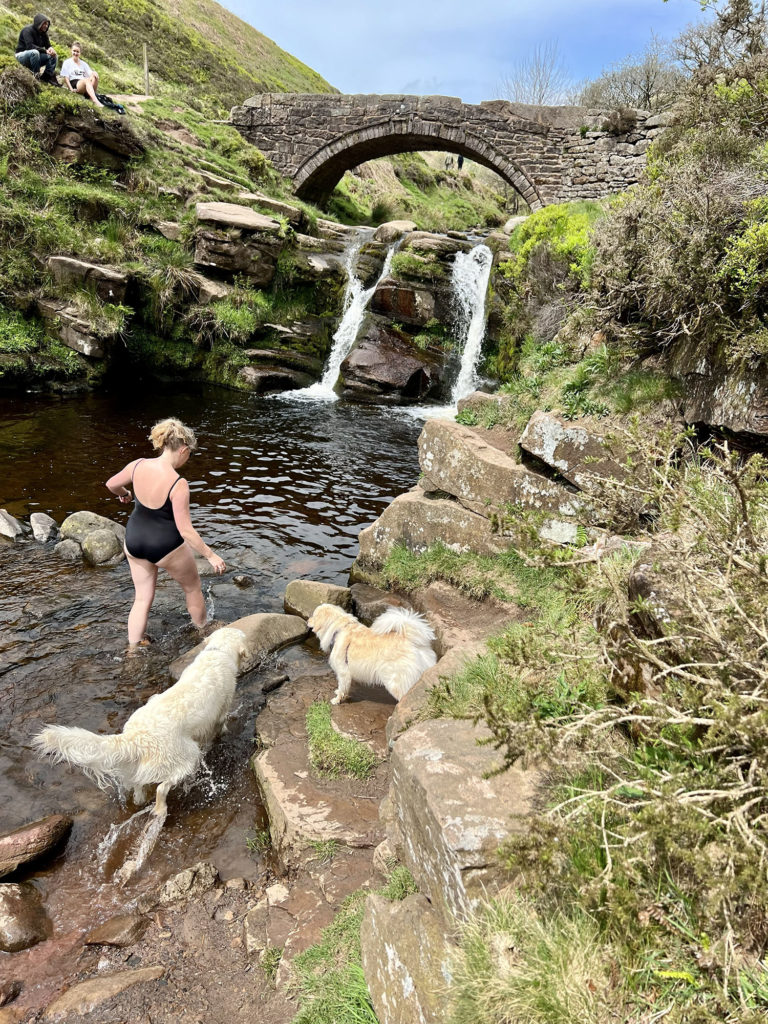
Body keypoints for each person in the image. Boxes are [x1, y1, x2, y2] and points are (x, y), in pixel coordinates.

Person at [105, 418, 226, 648]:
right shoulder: (178, 483)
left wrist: (125, 494)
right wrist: (211, 555)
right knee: (192, 587)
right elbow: (185, 530)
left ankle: (133, 649)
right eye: (189, 454)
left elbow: (111, 484)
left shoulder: (138, 465)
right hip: (165, 545)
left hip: (134, 541)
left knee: (141, 598)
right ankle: (202, 634)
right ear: (183, 450)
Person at [15, 13, 60, 86]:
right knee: (35, 52)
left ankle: (46, 77)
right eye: (44, 24)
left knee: (54, 56)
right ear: (38, 23)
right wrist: (45, 51)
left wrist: (51, 49)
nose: (46, 26)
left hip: (36, 57)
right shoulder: (27, 30)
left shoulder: (44, 33)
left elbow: (48, 45)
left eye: (47, 24)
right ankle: (36, 76)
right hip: (21, 56)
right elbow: (30, 46)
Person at [60, 41, 102, 107]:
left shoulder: (84, 64)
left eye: (77, 52)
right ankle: (95, 100)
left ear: (80, 53)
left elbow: (90, 72)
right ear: (71, 51)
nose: (75, 53)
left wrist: (94, 73)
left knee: (95, 76)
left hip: (84, 82)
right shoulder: (67, 62)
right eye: (74, 51)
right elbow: (66, 78)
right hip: (75, 83)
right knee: (86, 80)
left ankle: (91, 97)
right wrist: (71, 89)